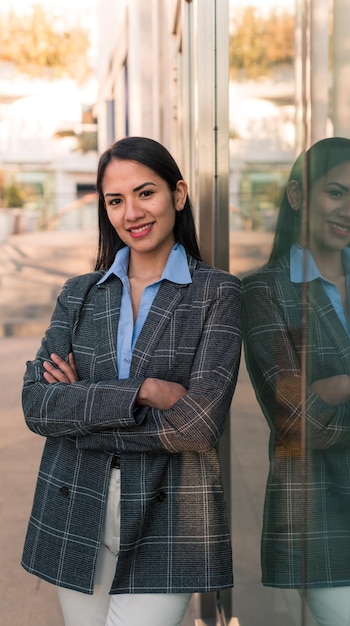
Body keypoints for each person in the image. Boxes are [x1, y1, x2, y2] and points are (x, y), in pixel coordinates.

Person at [21, 136, 242, 626]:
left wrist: (81, 407)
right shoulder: (79, 294)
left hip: (169, 514)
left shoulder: (217, 293)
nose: (131, 213)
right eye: (115, 200)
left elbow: (197, 425)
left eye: (146, 193)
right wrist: (144, 391)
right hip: (74, 505)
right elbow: (37, 405)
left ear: (178, 195)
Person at [242, 137, 350, 625]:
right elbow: (300, 422)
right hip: (321, 521)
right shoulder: (263, 293)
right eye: (335, 193)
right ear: (297, 196)